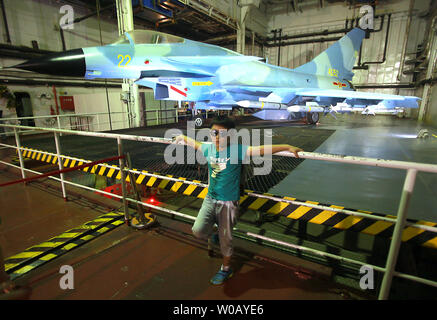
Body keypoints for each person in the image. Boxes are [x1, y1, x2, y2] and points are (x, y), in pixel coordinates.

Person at [174, 115, 303, 285]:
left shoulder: (237, 150)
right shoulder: (208, 148)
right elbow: (194, 144)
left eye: (223, 133)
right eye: (214, 133)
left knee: (226, 240)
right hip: (210, 199)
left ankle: (226, 269)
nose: (218, 137)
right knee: (198, 231)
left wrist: (287, 147)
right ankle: (215, 235)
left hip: (228, 203)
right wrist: (182, 137)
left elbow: (262, 149)